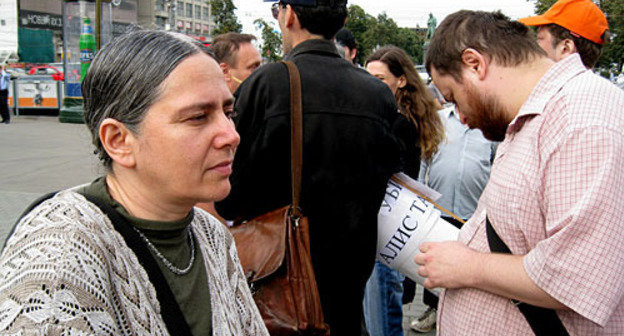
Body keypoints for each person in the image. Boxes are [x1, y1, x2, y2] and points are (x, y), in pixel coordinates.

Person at [0, 30, 269, 336]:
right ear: (119, 141)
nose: (231, 135)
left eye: (228, 112)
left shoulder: (212, 237)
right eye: (197, 117)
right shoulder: (59, 263)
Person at [416, 10, 624, 335]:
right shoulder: (531, 118)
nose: (462, 117)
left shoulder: (582, 119)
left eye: (454, 97)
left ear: (475, 64)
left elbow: (578, 276)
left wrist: (469, 267)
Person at [215, 0, 406, 334]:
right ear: (343, 19)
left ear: (289, 14)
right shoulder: (377, 93)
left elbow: (230, 196)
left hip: (279, 283)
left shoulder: (268, 84)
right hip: (350, 281)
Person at [362, 45, 443, 336]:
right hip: (386, 229)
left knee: (383, 311)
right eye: (368, 77)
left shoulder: (400, 123)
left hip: (388, 230)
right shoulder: (390, 117)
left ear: (401, 80)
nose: (372, 84)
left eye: (380, 78)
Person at [409, 89, 497, 333]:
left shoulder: (489, 124)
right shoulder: (439, 121)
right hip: (440, 207)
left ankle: (466, 314)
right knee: (434, 262)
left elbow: (497, 162)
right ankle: (433, 310)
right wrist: (420, 195)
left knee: (467, 264)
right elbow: (424, 159)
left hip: (474, 212)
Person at [518, 0, 609, 69]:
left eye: (540, 39)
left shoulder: (560, 92)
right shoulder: (606, 90)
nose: (534, 46)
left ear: (565, 48)